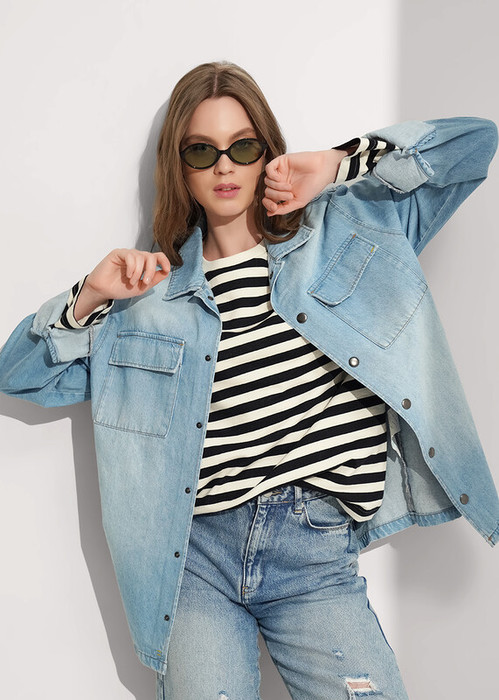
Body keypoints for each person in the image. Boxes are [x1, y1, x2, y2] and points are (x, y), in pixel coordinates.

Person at [0, 61, 498, 700]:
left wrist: (339, 164)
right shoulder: (145, 298)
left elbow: (474, 144)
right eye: (201, 151)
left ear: (267, 150)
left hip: (313, 549)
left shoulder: (348, 229)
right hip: (193, 561)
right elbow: (20, 375)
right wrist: (88, 297)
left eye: (242, 146)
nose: (224, 166)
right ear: (180, 167)